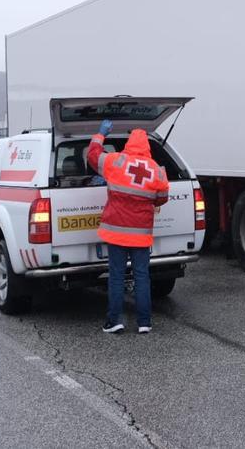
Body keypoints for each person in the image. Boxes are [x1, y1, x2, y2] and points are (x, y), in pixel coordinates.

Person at [86, 119, 171, 335]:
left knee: (116, 276)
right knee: (142, 276)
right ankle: (144, 322)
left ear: (129, 143)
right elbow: (161, 198)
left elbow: (92, 155)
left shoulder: (116, 162)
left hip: (116, 232)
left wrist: (100, 134)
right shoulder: (157, 171)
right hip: (141, 235)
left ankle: (115, 321)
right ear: (147, 146)